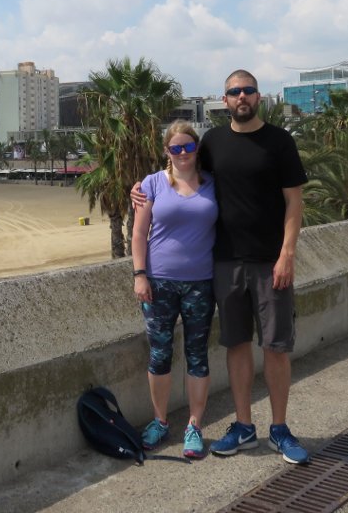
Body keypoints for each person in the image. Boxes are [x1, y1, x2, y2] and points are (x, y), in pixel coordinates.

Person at [132, 69, 308, 464]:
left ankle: (279, 429)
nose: (241, 97)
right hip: (225, 265)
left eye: (247, 90)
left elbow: (295, 204)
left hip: (269, 263)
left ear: (258, 96)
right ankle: (243, 426)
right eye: (233, 92)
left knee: (277, 347)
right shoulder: (211, 142)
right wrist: (140, 190)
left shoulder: (279, 142)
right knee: (237, 345)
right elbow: (184, 170)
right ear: (224, 100)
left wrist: (287, 254)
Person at [132, 121, 218, 458]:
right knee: (160, 353)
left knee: (197, 354)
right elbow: (139, 234)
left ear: (197, 149)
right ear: (167, 152)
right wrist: (140, 274)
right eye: (175, 148)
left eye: (188, 147)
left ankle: (195, 425)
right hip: (158, 282)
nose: (182, 154)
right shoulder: (152, 184)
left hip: (201, 283)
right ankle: (160, 421)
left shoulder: (213, 183)